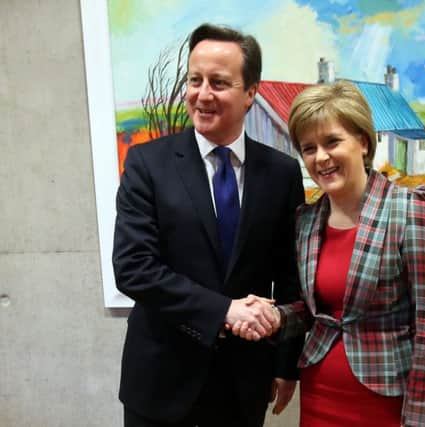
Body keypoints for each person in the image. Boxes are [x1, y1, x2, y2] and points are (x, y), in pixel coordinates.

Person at [112, 23, 304, 427]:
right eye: (194, 80)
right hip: (161, 382)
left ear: (251, 92)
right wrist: (225, 311)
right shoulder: (147, 164)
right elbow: (133, 267)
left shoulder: (282, 173)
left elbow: (291, 279)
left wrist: (287, 365)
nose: (202, 94)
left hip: (243, 385)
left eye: (218, 82)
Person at [233, 81, 425, 427]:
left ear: (363, 141)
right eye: (308, 148)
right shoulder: (306, 220)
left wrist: (419, 421)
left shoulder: (411, 212)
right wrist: (275, 316)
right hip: (319, 393)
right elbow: (313, 311)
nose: (321, 157)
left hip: (383, 403)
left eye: (332, 142)